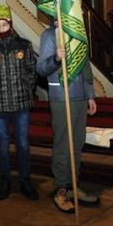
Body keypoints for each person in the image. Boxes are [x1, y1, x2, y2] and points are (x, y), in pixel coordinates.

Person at [0, 4, 39, 201]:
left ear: (10, 24)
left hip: (21, 105)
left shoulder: (24, 45)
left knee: (23, 144)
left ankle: (25, 180)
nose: (2, 28)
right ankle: (4, 181)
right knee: (2, 145)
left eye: (5, 24)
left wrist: (26, 88)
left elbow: (32, 70)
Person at [37, 21, 99, 214]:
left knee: (77, 144)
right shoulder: (49, 35)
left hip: (81, 97)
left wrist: (90, 95)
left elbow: (85, 67)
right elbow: (41, 69)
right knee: (63, 144)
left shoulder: (77, 32)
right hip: (61, 97)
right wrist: (56, 58)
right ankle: (61, 189)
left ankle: (73, 184)